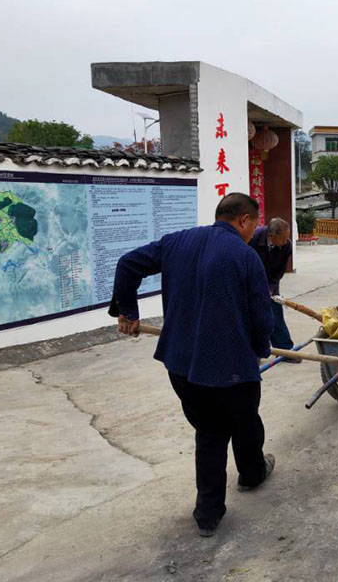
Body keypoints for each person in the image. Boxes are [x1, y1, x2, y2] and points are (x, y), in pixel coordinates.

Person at [111, 192, 276, 536]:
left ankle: (208, 515)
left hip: (181, 365)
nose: (253, 232)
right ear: (243, 220)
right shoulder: (246, 257)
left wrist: (127, 311)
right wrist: (260, 349)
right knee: (245, 421)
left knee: (210, 433)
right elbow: (261, 316)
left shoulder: (176, 242)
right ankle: (252, 474)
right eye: (253, 225)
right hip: (231, 369)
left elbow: (127, 263)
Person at [248, 217, 297, 359]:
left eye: (287, 237)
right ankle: (253, 352)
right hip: (249, 281)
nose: (286, 241)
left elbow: (279, 272)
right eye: (283, 238)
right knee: (251, 316)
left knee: (275, 313)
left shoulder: (286, 246)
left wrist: (271, 288)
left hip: (269, 282)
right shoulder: (254, 238)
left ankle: (284, 350)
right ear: (272, 236)